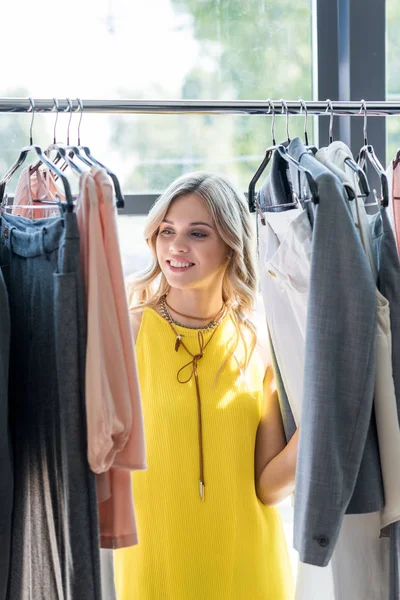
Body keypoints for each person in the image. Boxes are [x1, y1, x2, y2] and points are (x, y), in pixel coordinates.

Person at [114, 172, 298, 599]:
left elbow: (268, 486)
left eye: (198, 233)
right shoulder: (128, 330)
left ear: (231, 245)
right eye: (166, 231)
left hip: (248, 566)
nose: (176, 246)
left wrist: (319, 428)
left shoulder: (258, 343)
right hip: (154, 565)